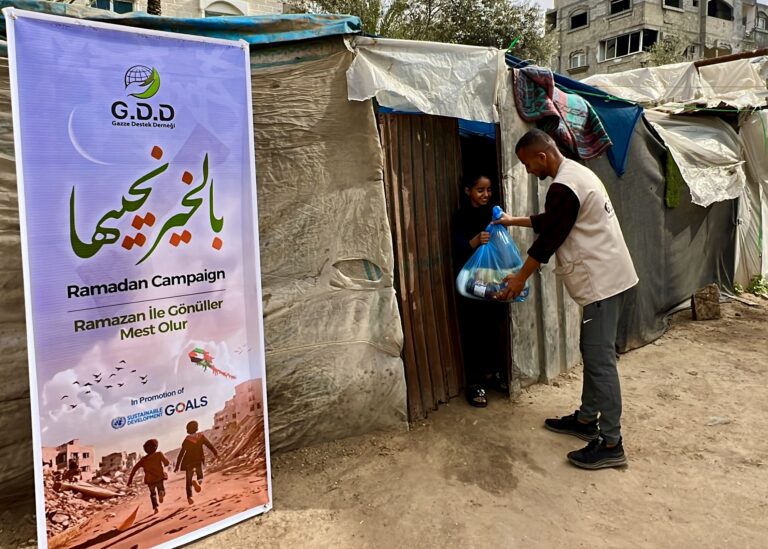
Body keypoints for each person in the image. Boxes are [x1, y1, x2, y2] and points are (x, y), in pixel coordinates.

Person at [494, 129, 638, 470]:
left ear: (541, 156)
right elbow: (554, 221)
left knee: (600, 360)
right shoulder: (576, 174)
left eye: (527, 164)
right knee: (593, 351)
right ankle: (587, 420)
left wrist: (519, 277)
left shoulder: (563, 186)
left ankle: (612, 443)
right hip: (611, 279)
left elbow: (549, 239)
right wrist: (513, 221)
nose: (528, 170)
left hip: (603, 284)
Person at [452, 174, 509, 408]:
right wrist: (475, 241)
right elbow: (458, 247)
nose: (486, 194)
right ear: (468, 191)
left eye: (489, 190)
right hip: (472, 284)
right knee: (474, 331)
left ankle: (492, 374)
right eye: (480, 190)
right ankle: (475, 383)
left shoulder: (493, 216)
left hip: (492, 279)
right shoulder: (461, 216)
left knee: (494, 327)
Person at [174, 420, 219, 505]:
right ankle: (199, 481)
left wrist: (177, 466)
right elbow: (209, 445)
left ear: (188, 430)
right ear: (197, 428)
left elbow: (181, 454)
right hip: (198, 460)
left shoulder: (186, 440)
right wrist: (215, 453)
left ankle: (189, 497)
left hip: (188, 463)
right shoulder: (201, 436)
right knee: (200, 475)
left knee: (188, 480)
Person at [127, 438, 170, 514]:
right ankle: (161, 493)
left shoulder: (143, 460)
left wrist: (130, 480)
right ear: (155, 447)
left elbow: (134, 469)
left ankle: (155, 507)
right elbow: (167, 462)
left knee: (152, 494)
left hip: (150, 479)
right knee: (161, 489)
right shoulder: (159, 454)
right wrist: (165, 463)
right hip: (159, 477)